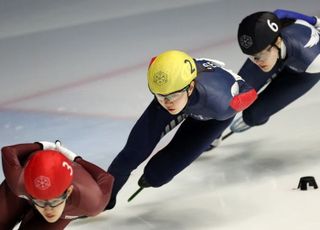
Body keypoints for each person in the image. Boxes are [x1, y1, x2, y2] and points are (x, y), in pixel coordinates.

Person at [105, 50, 258, 209]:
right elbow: (159, 68)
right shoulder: (167, 90)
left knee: (157, 175)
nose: (166, 102)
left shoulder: (219, 104)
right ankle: (105, 199)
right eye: (160, 96)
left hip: (209, 116)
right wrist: (105, 196)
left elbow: (249, 94)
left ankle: (214, 136)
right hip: (182, 88)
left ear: (190, 87)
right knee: (133, 152)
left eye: (172, 97)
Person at [230, 9, 320, 133]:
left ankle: (255, 117)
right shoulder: (268, 26)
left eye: (259, 56)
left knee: (253, 116)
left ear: (277, 42)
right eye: (252, 56)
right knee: (233, 95)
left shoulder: (314, 61)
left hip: (303, 74)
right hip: (279, 52)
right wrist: (315, 20)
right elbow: (280, 12)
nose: (256, 61)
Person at [0, 141, 114, 229]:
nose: (48, 209)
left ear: (68, 191)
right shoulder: (19, 182)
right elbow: (8, 151)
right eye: (40, 201)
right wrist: (42, 145)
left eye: (54, 201)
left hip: (67, 203)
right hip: (27, 181)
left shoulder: (91, 200)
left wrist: (77, 159)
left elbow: (106, 178)